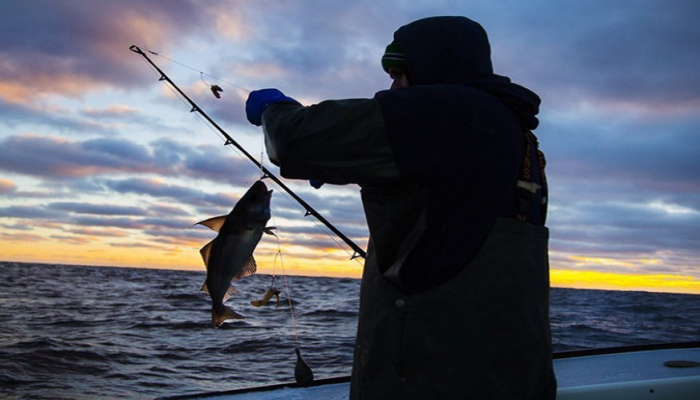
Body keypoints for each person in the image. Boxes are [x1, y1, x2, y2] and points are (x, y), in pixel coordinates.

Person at [245, 16, 556, 400]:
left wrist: (275, 110)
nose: (393, 86)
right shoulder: (514, 133)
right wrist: (364, 168)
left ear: (433, 65)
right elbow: (449, 207)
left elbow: (294, 141)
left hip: (430, 374)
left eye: (400, 72)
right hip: (508, 372)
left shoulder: (447, 108)